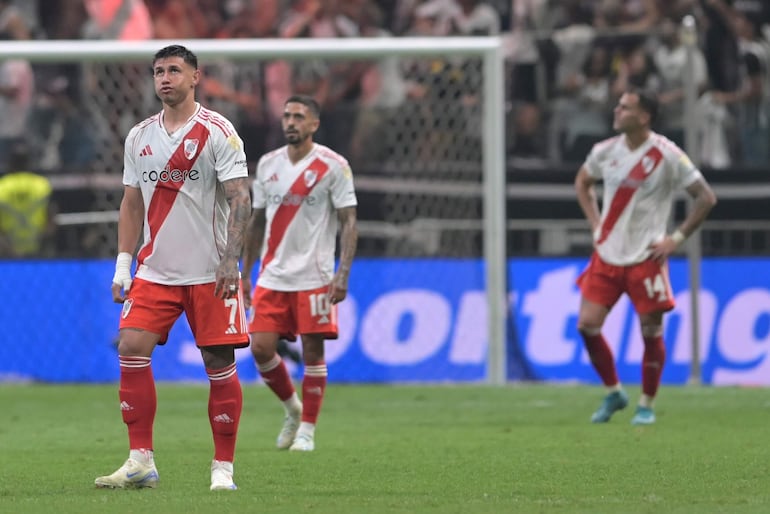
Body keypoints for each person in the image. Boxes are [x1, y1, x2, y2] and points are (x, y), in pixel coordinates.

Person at [94, 45, 251, 491]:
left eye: (174, 71)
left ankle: (223, 468)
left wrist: (229, 260)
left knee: (218, 360)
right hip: (156, 270)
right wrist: (123, 265)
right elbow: (131, 202)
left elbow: (241, 198)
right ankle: (140, 460)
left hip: (209, 271)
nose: (165, 78)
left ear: (195, 77)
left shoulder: (218, 131)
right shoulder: (138, 136)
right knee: (130, 345)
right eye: (159, 71)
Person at [574, 88, 717, 426]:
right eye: (618, 106)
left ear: (644, 116)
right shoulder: (603, 151)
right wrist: (596, 224)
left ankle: (646, 405)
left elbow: (706, 198)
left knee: (650, 333)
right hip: (607, 256)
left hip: (646, 258)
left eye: (624, 107)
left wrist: (676, 239)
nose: (616, 110)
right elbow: (582, 183)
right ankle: (614, 392)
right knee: (586, 325)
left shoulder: (668, 155)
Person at [241, 94, 358, 452]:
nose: (290, 122)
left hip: (316, 275)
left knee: (313, 351)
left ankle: (307, 429)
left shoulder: (333, 166)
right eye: (287, 116)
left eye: (298, 117)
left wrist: (343, 273)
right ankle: (293, 409)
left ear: (314, 125)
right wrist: (245, 272)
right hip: (273, 275)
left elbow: (349, 221)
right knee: (260, 348)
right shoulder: (268, 165)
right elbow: (257, 222)